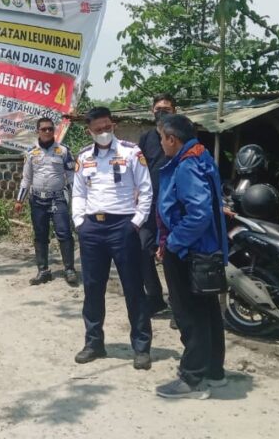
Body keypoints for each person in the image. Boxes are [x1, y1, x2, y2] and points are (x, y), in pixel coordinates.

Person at [71, 107, 154, 370]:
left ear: (113, 125)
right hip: (92, 229)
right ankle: (94, 343)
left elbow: (146, 189)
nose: (104, 132)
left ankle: (141, 347)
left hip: (123, 227)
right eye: (98, 129)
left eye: (108, 127)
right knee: (93, 288)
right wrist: (79, 222)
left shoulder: (131, 152)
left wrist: (136, 223)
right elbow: (78, 193)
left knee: (133, 287)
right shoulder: (83, 157)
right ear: (89, 131)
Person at [154, 114, 227, 400]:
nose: (160, 143)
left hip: (188, 251)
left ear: (173, 139)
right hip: (205, 249)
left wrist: (173, 241)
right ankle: (213, 371)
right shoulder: (203, 156)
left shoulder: (187, 165)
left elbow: (198, 213)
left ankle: (192, 378)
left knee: (189, 314)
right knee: (208, 312)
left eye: (162, 138)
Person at [14, 117, 78, 286]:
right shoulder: (30, 152)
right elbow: (26, 179)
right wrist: (19, 200)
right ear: (38, 131)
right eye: (44, 129)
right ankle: (43, 271)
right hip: (37, 200)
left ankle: (69, 269)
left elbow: (71, 177)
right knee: (40, 235)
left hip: (58, 198)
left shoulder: (63, 151)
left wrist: (77, 199)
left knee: (64, 233)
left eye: (50, 129)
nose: (48, 131)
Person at [137, 94, 176, 315]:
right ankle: (154, 296)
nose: (161, 112)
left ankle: (178, 304)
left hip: (173, 206)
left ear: (175, 112)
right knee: (142, 249)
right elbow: (138, 168)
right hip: (149, 204)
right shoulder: (146, 138)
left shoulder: (182, 136)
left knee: (173, 254)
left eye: (167, 109)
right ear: (152, 111)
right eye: (158, 109)